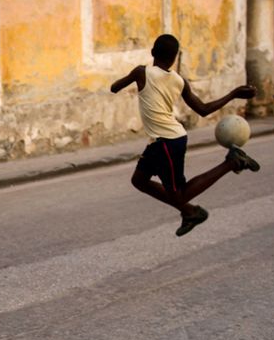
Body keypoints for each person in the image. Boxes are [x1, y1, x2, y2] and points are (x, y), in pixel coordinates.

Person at [110, 34, 260, 237]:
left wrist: (128, 81)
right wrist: (233, 94)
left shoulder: (141, 72)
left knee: (180, 193)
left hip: (168, 142)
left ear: (153, 52)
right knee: (139, 181)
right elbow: (204, 109)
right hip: (165, 139)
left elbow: (114, 87)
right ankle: (189, 212)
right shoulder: (179, 81)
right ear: (174, 59)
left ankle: (232, 163)